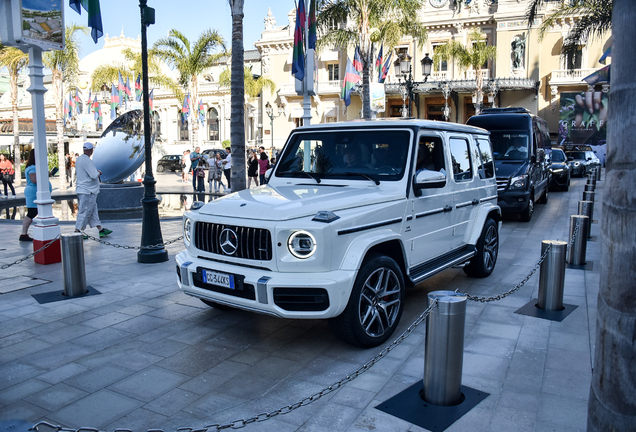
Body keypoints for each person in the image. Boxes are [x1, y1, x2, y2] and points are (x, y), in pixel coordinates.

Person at [74, 142, 112, 238]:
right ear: (90, 150)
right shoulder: (88, 161)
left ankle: (100, 229)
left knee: (93, 211)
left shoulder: (79, 159)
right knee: (85, 211)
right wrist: (99, 172)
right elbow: (93, 175)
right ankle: (78, 231)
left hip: (83, 189)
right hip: (88, 190)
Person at [20, 150, 52, 241]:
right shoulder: (33, 168)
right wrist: (46, 174)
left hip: (36, 193)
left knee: (35, 212)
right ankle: (24, 233)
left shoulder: (35, 167)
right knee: (32, 212)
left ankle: (24, 233)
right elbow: (34, 179)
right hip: (33, 193)